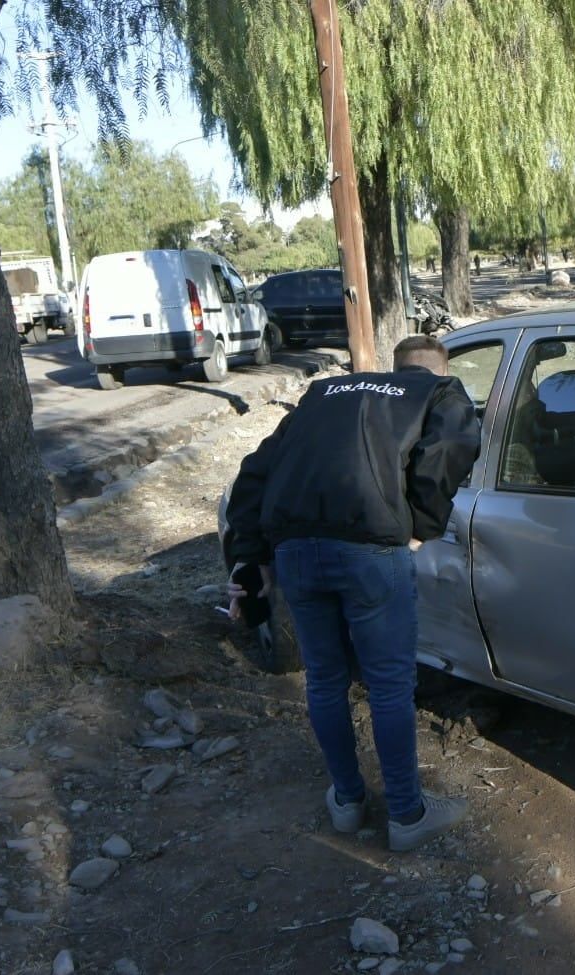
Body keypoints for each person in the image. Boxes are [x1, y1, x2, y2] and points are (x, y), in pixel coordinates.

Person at [225, 335, 481, 853]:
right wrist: (422, 527)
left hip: (296, 552)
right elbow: (452, 446)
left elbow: (254, 472)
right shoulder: (436, 391)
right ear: (438, 369)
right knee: (388, 687)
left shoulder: (324, 394)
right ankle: (407, 815)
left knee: (323, 679)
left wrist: (250, 559)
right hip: (369, 552)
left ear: (394, 367)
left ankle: (346, 803)